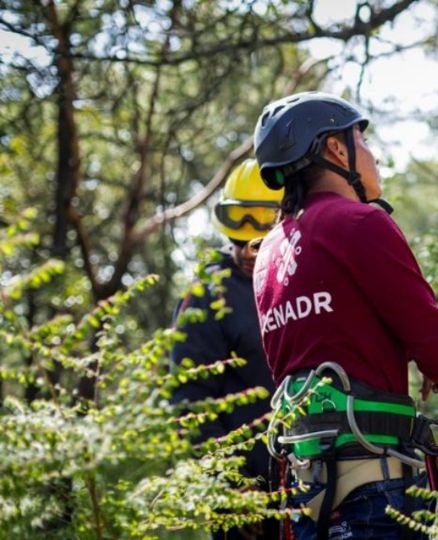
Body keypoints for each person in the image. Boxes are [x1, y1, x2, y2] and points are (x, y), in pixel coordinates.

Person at [251, 92, 438, 540]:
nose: (374, 156)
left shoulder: (271, 249)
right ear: (335, 149)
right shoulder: (359, 223)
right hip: (374, 492)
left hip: (308, 492)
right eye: (362, 141)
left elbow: (339, 336)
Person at [171, 159, 283, 540]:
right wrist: (228, 485)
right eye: (239, 219)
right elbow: (188, 402)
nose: (250, 245)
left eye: (263, 220)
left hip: (309, 486)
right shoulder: (208, 295)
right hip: (245, 504)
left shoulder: (299, 282)